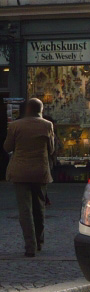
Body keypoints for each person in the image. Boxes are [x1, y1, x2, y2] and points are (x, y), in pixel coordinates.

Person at [3, 98, 55, 257]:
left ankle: (30, 246)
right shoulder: (47, 125)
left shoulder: (15, 126)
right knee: (39, 208)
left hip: (20, 172)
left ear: (27, 110)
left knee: (25, 210)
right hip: (40, 171)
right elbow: (51, 149)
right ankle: (39, 241)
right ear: (41, 110)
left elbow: (7, 147)